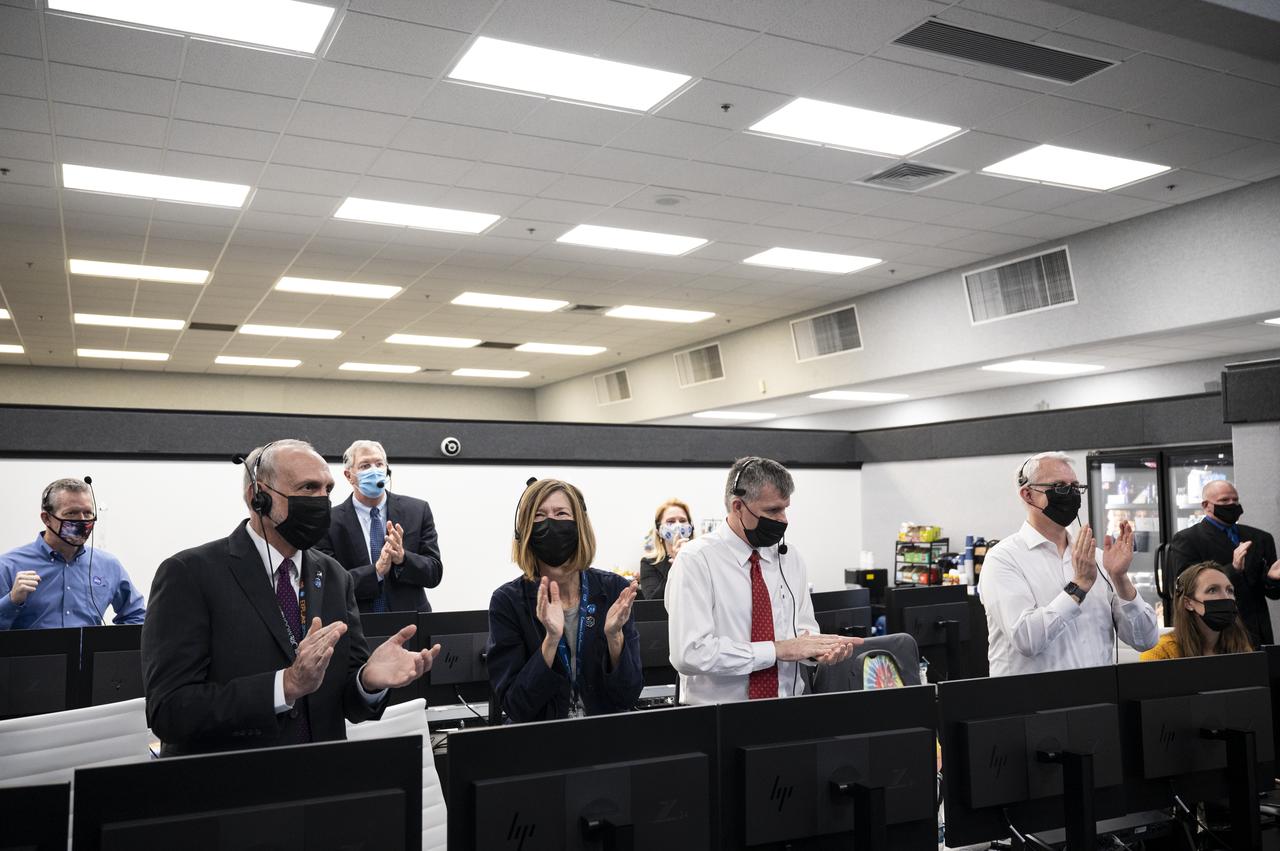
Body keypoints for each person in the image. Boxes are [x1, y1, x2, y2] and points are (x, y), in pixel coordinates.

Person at [141, 440, 440, 755]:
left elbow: (346, 704)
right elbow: (169, 711)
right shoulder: (189, 574)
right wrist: (284, 686)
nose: (321, 500)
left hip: (320, 784)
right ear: (258, 497)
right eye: (308, 488)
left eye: (327, 489)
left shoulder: (335, 577)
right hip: (231, 789)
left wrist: (368, 681)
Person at [665, 456, 859, 704]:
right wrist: (776, 650)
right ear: (738, 506)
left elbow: (801, 631)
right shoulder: (696, 560)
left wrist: (818, 651)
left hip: (787, 708)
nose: (783, 519)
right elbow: (690, 654)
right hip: (719, 717)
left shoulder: (789, 558)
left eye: (785, 508)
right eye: (772, 510)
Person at [982, 451, 1158, 676]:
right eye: (1059, 486)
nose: (1071, 494)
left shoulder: (1094, 557)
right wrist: (1079, 585)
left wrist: (1120, 578)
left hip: (1097, 700)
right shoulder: (1004, 559)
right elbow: (1026, 639)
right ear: (1028, 495)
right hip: (1034, 704)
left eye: (1075, 487)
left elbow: (1145, 640)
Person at [487, 478, 642, 723]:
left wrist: (615, 638)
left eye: (561, 513)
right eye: (540, 515)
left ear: (579, 525)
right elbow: (516, 706)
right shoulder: (507, 602)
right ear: (524, 530)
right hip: (540, 743)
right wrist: (550, 641)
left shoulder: (614, 591)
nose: (551, 522)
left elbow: (628, 695)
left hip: (606, 737)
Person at [0, 477, 145, 630]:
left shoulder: (108, 565)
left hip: (87, 654)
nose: (82, 520)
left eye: (88, 513)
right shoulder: (9, 566)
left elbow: (137, 616)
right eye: (72, 513)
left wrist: (111, 649)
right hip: (35, 653)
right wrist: (12, 601)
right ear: (47, 518)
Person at [316, 439, 443, 613]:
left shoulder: (417, 511)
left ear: (387, 470)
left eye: (379, 464)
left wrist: (403, 559)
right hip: (358, 625)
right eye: (365, 466)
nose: (374, 471)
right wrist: (375, 571)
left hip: (411, 622)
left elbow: (434, 573)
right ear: (348, 475)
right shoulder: (328, 521)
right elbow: (328, 583)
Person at [1166, 480, 1280, 647]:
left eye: (1235, 500)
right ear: (1206, 506)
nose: (1232, 504)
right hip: (1216, 631)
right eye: (1224, 501)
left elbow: (1272, 593)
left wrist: (1273, 579)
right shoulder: (1188, 539)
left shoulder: (1260, 538)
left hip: (1258, 631)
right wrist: (1232, 569)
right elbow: (1184, 586)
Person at [1141, 561, 1255, 660]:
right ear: (1188, 603)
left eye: (1230, 590)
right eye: (1212, 590)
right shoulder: (1160, 652)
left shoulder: (1239, 645)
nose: (1226, 597)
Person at [639, 498, 695, 600]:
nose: (678, 525)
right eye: (671, 521)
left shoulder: (701, 557)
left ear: (691, 526)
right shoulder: (649, 563)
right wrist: (676, 568)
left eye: (682, 521)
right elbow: (653, 601)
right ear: (659, 530)